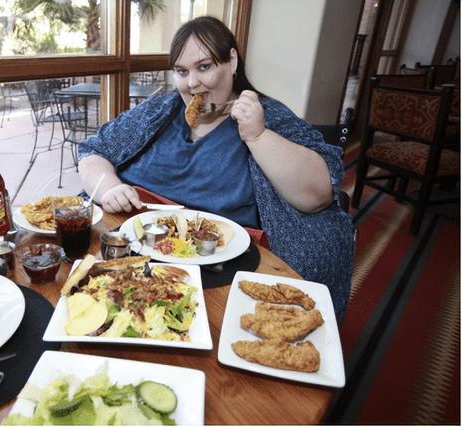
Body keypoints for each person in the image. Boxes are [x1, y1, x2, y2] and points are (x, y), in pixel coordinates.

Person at [78, 16, 354, 321]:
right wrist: (110, 189)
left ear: (232, 61)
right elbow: (93, 151)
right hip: (131, 249)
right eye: (182, 71)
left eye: (204, 66)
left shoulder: (266, 116)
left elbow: (318, 195)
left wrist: (258, 136)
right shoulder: (160, 109)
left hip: (222, 270)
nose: (191, 83)